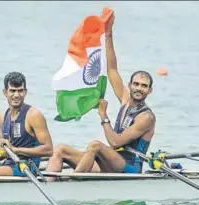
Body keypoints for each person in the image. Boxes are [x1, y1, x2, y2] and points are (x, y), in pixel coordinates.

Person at [45, 13, 156, 181]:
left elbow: (116, 143)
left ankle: (72, 184)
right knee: (61, 149)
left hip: (129, 168)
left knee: (95, 146)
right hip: (110, 162)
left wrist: (103, 115)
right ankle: (49, 187)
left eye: (144, 86)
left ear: (150, 91)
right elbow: (112, 69)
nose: (139, 88)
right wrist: (108, 32)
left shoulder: (146, 117)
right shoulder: (126, 99)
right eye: (136, 84)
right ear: (130, 85)